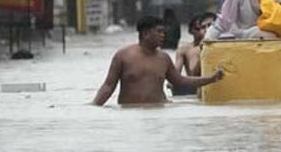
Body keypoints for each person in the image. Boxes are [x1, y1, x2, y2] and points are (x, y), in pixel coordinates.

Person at [92, 16, 223, 106]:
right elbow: (108, 87)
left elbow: (180, 81)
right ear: (145, 34)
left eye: (163, 32)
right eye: (159, 32)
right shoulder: (123, 56)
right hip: (130, 116)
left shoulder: (164, 58)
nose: (163, 35)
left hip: (159, 113)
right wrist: (93, 107)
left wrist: (210, 79)